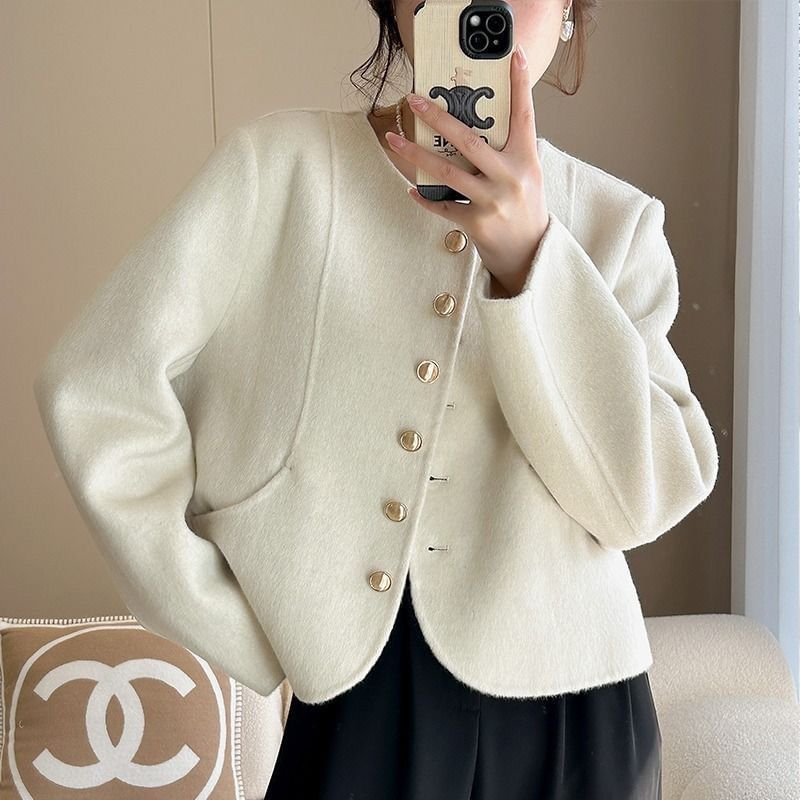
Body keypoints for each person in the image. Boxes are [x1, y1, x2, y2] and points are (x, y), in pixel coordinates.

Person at [33, 1, 719, 798]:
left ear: (570, 10)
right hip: (357, 697)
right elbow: (96, 388)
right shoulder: (278, 170)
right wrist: (233, 621)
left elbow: (640, 501)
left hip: (583, 723)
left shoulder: (618, 224)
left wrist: (533, 258)